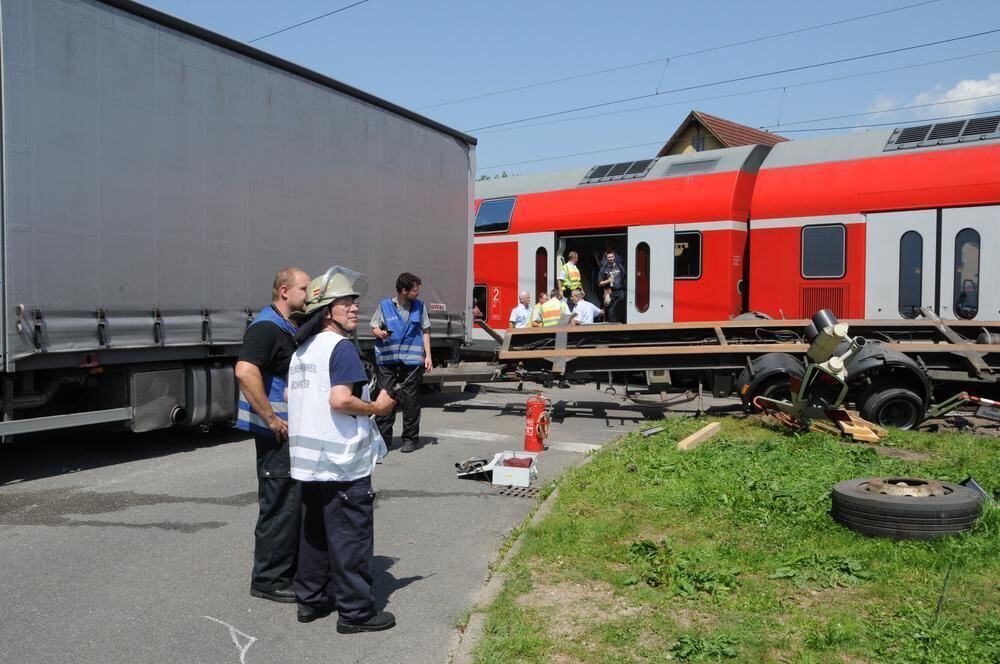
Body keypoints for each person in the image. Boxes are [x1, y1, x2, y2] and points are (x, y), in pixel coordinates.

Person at [287, 266, 397, 632]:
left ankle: (312, 600)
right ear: (326, 310)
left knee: (314, 536)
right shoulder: (341, 348)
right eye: (346, 302)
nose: (354, 308)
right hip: (342, 462)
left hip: (310, 464)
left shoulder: (303, 350)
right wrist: (378, 408)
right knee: (351, 537)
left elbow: (293, 395)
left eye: (353, 301)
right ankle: (356, 613)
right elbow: (339, 400)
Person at [235, 267, 311, 604]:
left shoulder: (285, 326)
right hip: (276, 434)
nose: (309, 296)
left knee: (290, 504)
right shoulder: (265, 327)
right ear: (284, 291)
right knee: (279, 506)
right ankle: (267, 580)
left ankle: (284, 571)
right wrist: (271, 419)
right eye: (305, 290)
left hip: (287, 434)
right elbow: (245, 370)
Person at [370, 272, 433, 454]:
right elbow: (374, 326)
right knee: (386, 399)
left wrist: (428, 356)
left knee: (411, 401)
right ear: (404, 291)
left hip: (412, 361)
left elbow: (426, 331)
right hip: (387, 360)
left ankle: (410, 440)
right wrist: (379, 333)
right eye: (415, 290)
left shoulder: (420, 307)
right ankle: (383, 441)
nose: (418, 293)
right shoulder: (384, 306)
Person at [598, 250, 626, 323]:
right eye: (609, 257)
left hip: (620, 293)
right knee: (611, 313)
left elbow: (625, 277)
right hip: (610, 294)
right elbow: (599, 283)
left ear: (614, 257)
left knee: (621, 313)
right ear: (606, 258)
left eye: (612, 256)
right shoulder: (603, 269)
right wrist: (608, 280)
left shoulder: (620, 266)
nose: (611, 258)